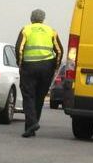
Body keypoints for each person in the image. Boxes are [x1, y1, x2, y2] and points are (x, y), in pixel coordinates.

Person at [15, 9, 63, 137]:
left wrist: (20, 65)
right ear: (43, 19)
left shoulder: (26, 29)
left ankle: (32, 123)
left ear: (31, 18)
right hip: (46, 67)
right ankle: (31, 126)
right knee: (39, 97)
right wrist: (55, 67)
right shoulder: (51, 31)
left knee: (28, 95)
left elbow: (19, 49)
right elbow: (59, 51)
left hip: (29, 67)